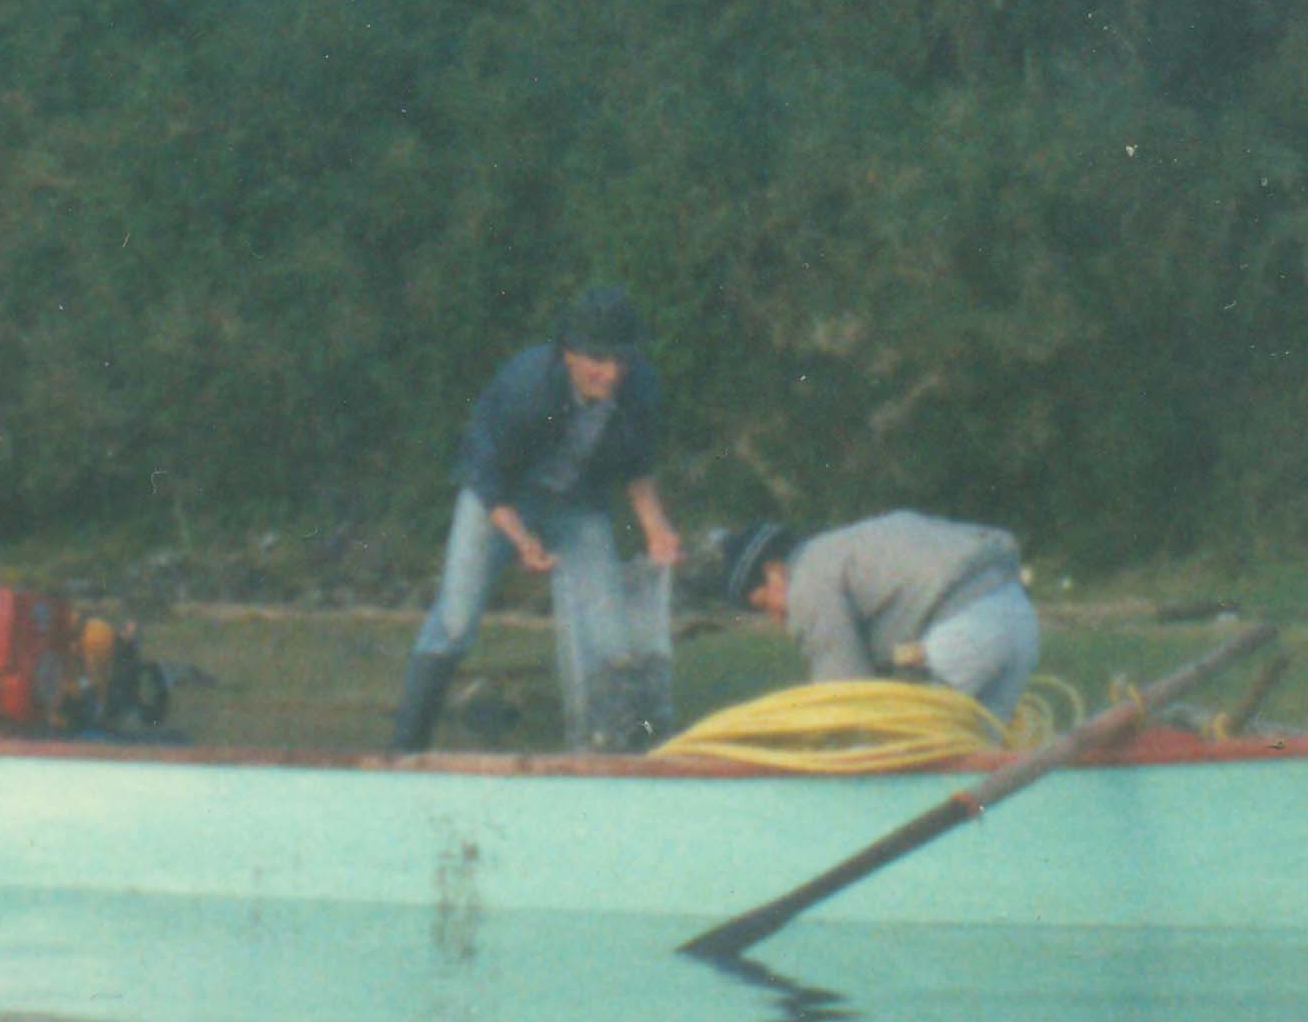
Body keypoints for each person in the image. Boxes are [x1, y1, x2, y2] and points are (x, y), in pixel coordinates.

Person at [390, 286, 682, 752]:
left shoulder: (640, 386)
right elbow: (486, 475)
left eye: (622, 360)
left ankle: (615, 752)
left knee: (609, 636)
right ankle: (405, 749)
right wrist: (522, 540)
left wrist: (656, 527)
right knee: (456, 619)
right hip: (501, 500)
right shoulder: (527, 385)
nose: (611, 373)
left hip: (577, 503)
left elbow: (636, 467)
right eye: (598, 361)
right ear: (569, 354)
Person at [719, 511, 1040, 720]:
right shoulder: (841, 549)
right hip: (1018, 616)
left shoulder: (805, 581)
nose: (776, 618)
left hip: (963, 630)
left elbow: (847, 694)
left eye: (764, 604)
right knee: (983, 762)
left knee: (913, 752)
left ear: (774, 572)